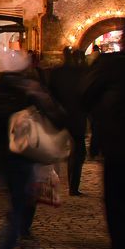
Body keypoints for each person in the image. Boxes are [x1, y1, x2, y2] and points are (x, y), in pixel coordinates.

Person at [0, 49, 65, 249]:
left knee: (16, 202)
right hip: (25, 155)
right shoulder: (30, 90)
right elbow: (57, 116)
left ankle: (14, 240)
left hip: (2, 155)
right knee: (20, 206)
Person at [83, 10, 125, 249]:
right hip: (120, 150)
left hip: (122, 153)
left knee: (121, 219)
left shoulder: (112, 65)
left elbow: (84, 97)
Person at [47, 47, 88, 196]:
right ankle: (73, 187)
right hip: (77, 117)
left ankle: (52, 184)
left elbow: (49, 94)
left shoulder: (57, 72)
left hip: (59, 117)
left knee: (54, 151)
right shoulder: (82, 73)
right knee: (78, 152)